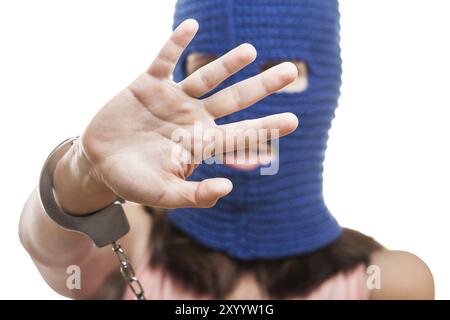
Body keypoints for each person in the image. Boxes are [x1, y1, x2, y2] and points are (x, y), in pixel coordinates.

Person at [19, 0, 434, 300]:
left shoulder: (389, 283)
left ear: (328, 88)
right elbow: (49, 246)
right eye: (208, 67)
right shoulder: (134, 241)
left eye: (280, 74)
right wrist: (86, 170)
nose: (247, 105)